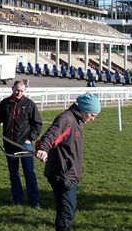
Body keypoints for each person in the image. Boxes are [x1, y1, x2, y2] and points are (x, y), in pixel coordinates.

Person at [35, 93, 101, 231]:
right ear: (84, 109)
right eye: (92, 115)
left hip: (68, 173)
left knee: (68, 209)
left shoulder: (76, 120)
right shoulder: (67, 119)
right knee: (66, 212)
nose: (93, 119)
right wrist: (43, 148)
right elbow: (52, 134)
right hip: (63, 174)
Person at [0, 79, 42, 207]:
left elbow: (37, 124)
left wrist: (30, 138)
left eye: (21, 91)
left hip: (24, 145)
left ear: (25, 91)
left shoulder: (29, 105)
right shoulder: (5, 104)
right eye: (17, 90)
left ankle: (34, 201)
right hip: (9, 144)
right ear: (12, 88)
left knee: (29, 173)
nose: (19, 93)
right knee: (14, 174)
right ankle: (17, 199)